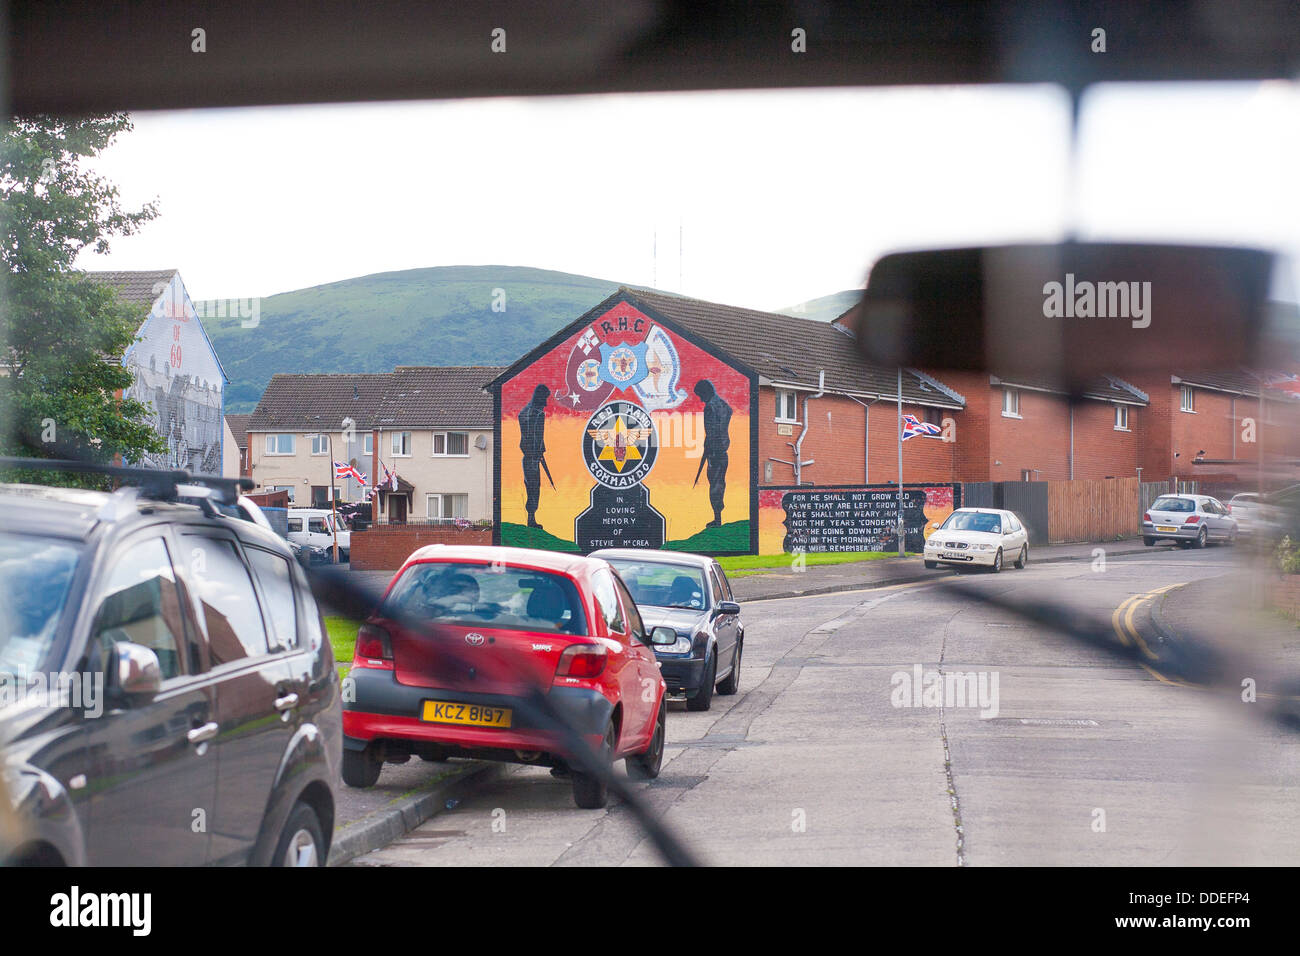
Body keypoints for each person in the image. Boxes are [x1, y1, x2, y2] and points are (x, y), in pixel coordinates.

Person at [693, 378, 731, 528]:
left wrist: (708, 449)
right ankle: (718, 517)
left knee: (714, 485)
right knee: (720, 483)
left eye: (700, 395)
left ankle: (717, 519)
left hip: (714, 452)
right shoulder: (723, 405)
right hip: (723, 450)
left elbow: (710, 432)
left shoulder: (710, 407)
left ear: (705, 392)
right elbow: (729, 412)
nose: (701, 399)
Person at [518, 383, 550, 529]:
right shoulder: (538, 414)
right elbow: (536, 436)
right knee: (534, 487)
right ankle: (531, 519)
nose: (546, 402)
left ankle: (531, 518)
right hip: (532, 458)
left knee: (529, 485)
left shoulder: (524, 412)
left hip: (527, 456)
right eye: (545, 398)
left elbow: (527, 436)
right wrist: (538, 452)